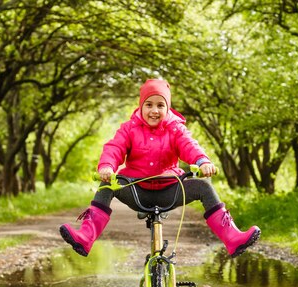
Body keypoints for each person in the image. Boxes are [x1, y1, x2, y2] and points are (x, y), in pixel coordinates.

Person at [59, 79, 260, 258]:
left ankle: (233, 238)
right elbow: (115, 148)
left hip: (169, 191)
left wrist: (202, 161)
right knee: (107, 186)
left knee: (203, 187)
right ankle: (85, 237)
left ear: (168, 108)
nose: (154, 110)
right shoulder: (129, 128)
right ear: (141, 106)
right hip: (136, 190)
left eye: (160, 105)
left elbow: (190, 145)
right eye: (149, 104)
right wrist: (107, 167)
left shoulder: (176, 128)